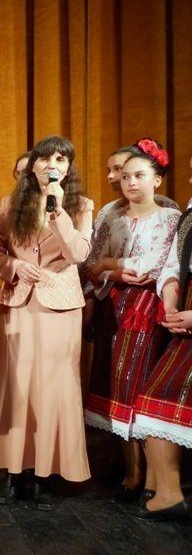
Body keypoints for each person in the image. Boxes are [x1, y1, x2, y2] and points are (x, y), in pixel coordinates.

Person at [0, 135, 93, 512]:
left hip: (60, 307)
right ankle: (14, 472)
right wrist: (13, 266)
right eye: (46, 158)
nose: (53, 165)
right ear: (32, 166)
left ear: (68, 168)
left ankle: (45, 472)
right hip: (18, 304)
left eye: (61, 159)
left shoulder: (81, 206)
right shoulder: (10, 205)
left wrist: (58, 211)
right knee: (17, 388)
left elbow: (78, 253)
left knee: (52, 388)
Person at [83, 139, 179, 503]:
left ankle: (152, 476)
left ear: (156, 179)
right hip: (113, 305)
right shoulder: (113, 217)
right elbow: (90, 264)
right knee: (115, 383)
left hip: (146, 307)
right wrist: (107, 270)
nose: (131, 182)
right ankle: (131, 470)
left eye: (139, 175)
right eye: (125, 177)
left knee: (139, 384)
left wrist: (110, 265)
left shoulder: (168, 217)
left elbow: (148, 268)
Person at [129, 154, 192, 523]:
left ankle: (169, 493)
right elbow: (173, 263)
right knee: (155, 401)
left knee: (159, 399)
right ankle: (168, 493)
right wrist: (171, 300)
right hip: (183, 307)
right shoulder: (189, 214)